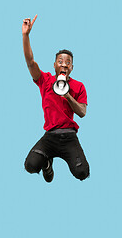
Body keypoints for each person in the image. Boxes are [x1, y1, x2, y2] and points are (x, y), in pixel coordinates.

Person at [22, 15, 90, 182]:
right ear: (54, 65)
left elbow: (82, 112)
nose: (64, 64)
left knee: (83, 173)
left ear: (72, 68)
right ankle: (47, 165)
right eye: (60, 61)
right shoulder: (45, 80)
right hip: (50, 136)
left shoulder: (79, 86)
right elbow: (30, 62)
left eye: (68, 63)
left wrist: (67, 95)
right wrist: (26, 35)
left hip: (69, 136)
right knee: (30, 165)